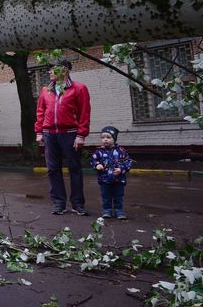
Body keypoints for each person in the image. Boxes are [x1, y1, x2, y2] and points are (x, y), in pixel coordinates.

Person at [35, 59, 91, 215]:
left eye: (53, 69)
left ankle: (77, 204)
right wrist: (39, 132)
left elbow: (84, 113)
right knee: (53, 169)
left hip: (70, 133)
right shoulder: (46, 90)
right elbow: (40, 111)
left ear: (65, 70)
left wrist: (81, 134)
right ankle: (59, 203)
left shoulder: (79, 88)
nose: (50, 72)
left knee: (75, 168)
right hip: (50, 134)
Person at [90, 126, 133, 219]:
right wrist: (97, 165)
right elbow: (93, 160)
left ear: (114, 139)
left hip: (119, 179)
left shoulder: (121, 151)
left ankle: (119, 210)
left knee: (119, 196)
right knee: (106, 196)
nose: (105, 139)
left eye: (108, 137)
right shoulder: (99, 151)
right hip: (104, 179)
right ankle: (107, 210)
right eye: (103, 137)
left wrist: (121, 169)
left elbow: (128, 162)